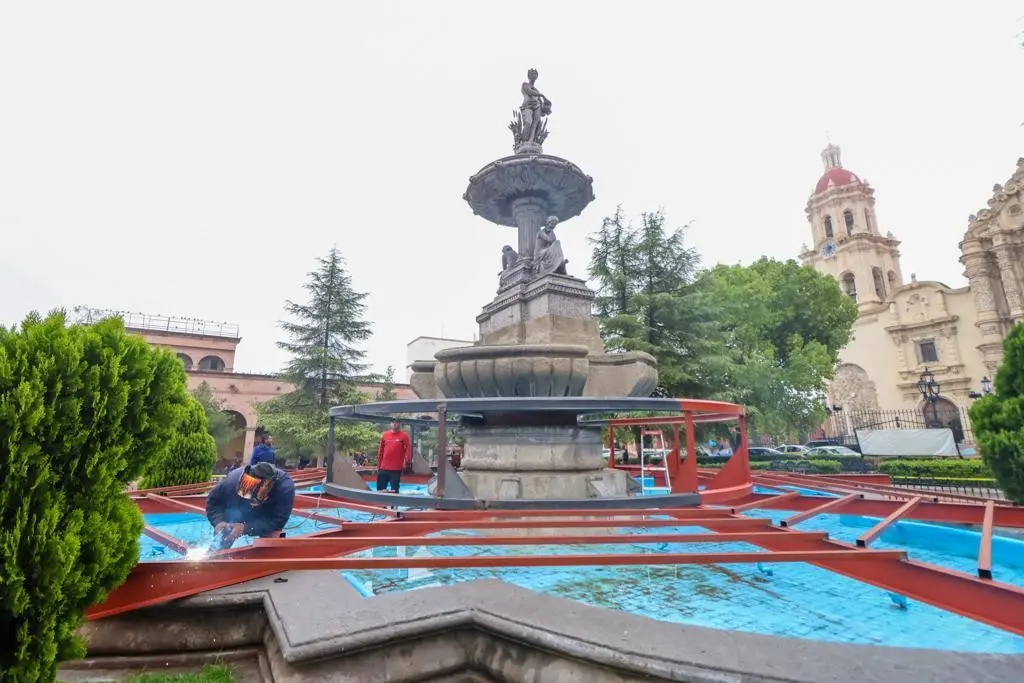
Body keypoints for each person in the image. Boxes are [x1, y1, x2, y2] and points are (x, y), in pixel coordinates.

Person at [205, 461, 296, 549]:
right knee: (228, 529)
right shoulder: (231, 482)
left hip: (268, 511)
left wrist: (246, 528)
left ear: (270, 486)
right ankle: (215, 554)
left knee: (273, 535)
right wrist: (218, 521)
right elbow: (213, 502)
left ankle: (265, 560)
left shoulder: (285, 489)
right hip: (240, 504)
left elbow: (277, 521)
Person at [376, 419, 411, 493]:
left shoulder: (404, 435)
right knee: (380, 489)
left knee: (394, 490)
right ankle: (382, 504)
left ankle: (393, 504)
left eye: (397, 422)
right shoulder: (385, 434)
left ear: (400, 424)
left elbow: (408, 449)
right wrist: (379, 465)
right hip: (383, 468)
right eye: (393, 422)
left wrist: (407, 462)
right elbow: (380, 450)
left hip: (396, 469)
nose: (395, 424)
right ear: (390, 424)